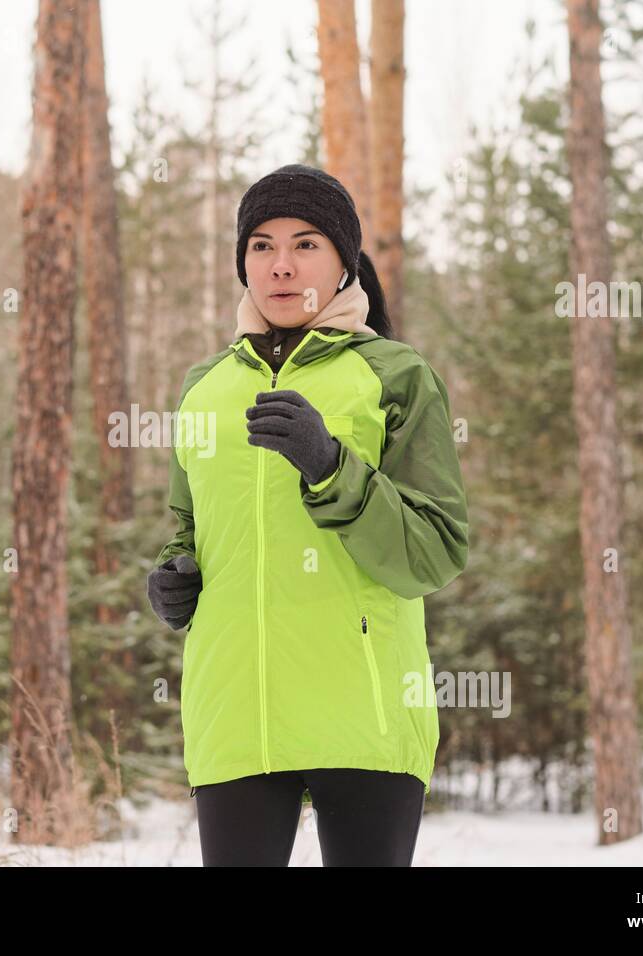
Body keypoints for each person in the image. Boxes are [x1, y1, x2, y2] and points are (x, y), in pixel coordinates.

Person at [146, 164, 470, 866]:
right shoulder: (204, 388)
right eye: (260, 246)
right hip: (235, 713)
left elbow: (434, 552)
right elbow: (187, 527)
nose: (281, 266)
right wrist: (174, 578)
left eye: (306, 244)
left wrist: (331, 467)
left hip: (365, 715)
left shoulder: (396, 375)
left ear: (345, 260)